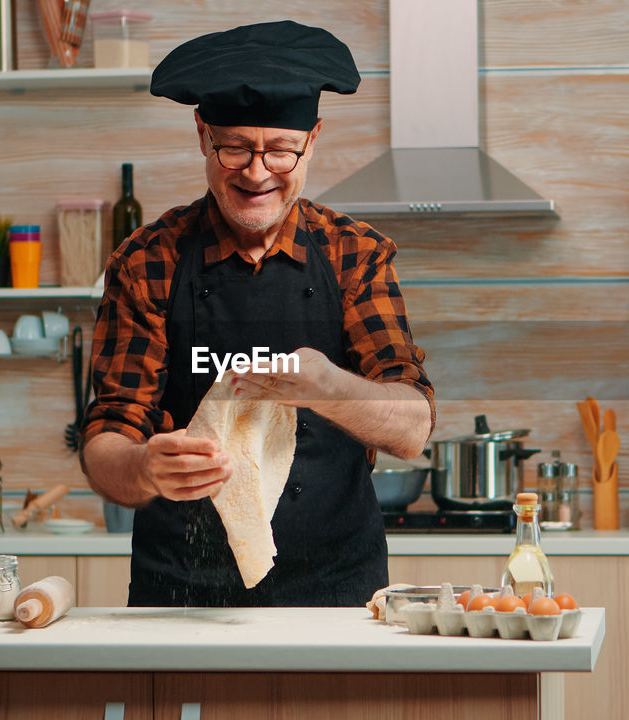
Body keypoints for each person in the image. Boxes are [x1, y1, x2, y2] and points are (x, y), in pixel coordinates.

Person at [80, 21, 434, 608]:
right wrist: (144, 467)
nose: (257, 172)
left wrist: (326, 386)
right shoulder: (148, 261)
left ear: (312, 140)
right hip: (182, 600)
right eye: (236, 147)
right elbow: (106, 437)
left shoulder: (355, 254)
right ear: (201, 134)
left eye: (280, 150)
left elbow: (413, 428)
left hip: (337, 597)